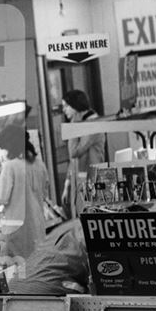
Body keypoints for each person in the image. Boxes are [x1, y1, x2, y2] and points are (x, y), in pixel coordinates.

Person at [0, 125, 48, 262]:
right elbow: (45, 193)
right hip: (38, 226)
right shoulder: (39, 164)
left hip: (16, 230)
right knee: (36, 268)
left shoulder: (10, 166)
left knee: (15, 274)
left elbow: (0, 198)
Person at [60, 89, 105, 218]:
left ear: (75, 106)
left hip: (92, 182)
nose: (64, 110)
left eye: (66, 106)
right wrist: (67, 183)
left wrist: (72, 126)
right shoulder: (82, 123)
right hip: (82, 181)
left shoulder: (92, 124)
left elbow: (74, 152)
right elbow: (74, 159)